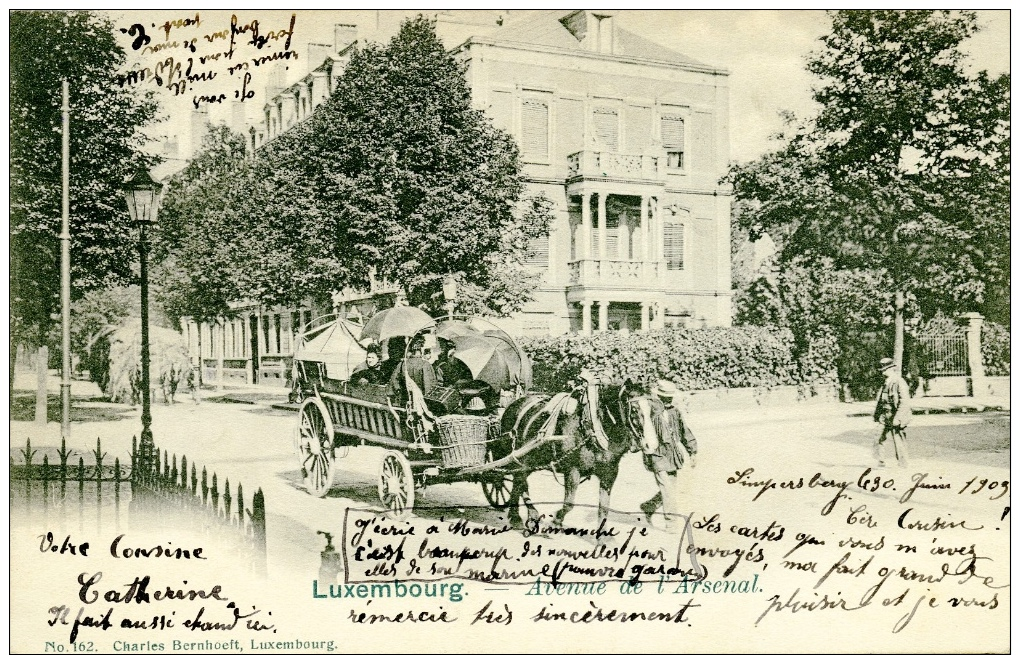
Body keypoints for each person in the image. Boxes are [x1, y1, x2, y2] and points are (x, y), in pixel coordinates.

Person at [639, 379, 697, 532]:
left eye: (670, 396)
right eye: (665, 396)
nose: (669, 399)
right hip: (657, 453)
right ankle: (671, 523)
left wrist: (692, 451)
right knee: (668, 488)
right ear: (658, 396)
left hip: (672, 454)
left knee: (670, 487)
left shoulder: (674, 411)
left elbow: (685, 431)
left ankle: (649, 506)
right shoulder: (648, 410)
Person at [873, 357, 912, 468]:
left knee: (898, 440)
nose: (883, 372)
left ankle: (903, 463)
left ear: (892, 369)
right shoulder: (885, 382)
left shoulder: (899, 382)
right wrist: (877, 415)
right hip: (884, 415)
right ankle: (880, 461)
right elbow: (881, 400)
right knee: (879, 437)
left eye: (885, 370)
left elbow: (904, 402)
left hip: (895, 415)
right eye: (882, 370)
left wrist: (898, 418)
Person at [389, 335, 437, 406]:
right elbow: (429, 388)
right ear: (422, 349)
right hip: (421, 406)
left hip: (405, 405)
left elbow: (393, 384)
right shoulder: (425, 364)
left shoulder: (402, 364)